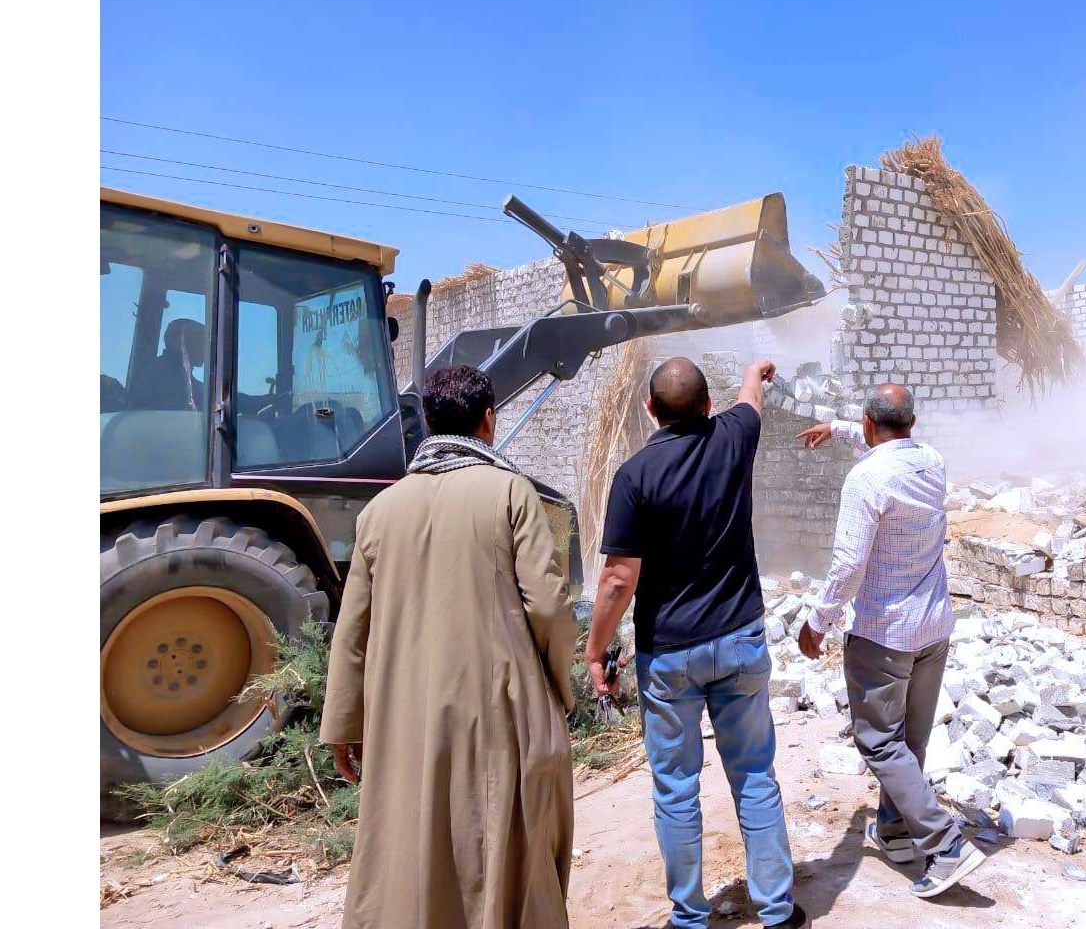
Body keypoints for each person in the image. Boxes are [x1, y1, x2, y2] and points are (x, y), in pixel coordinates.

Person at [321, 364, 577, 929]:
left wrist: (344, 722)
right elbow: (549, 605)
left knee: (416, 845)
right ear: (488, 420)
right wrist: (561, 685)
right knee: (500, 845)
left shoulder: (379, 511)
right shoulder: (510, 490)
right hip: (498, 710)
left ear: (429, 425)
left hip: (403, 715)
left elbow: (353, 630)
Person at [585, 356, 809, 929]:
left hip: (670, 656)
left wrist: (594, 651)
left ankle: (688, 917)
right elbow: (751, 401)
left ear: (650, 409)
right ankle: (778, 909)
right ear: (709, 406)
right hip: (740, 640)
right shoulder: (733, 437)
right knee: (754, 775)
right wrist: (756, 372)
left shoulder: (634, 475)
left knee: (676, 788)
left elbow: (617, 579)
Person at [795, 384, 988, 898]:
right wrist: (838, 428)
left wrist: (818, 621)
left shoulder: (866, 479)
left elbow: (848, 564)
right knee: (911, 740)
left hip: (883, 634)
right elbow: (887, 449)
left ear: (867, 422)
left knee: (879, 740)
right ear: (913, 423)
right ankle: (897, 830)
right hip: (933, 628)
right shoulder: (930, 461)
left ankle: (945, 843)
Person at [132, 318, 206, 410]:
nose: (205, 349)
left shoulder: (189, 381)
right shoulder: (159, 375)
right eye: (200, 341)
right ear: (182, 343)